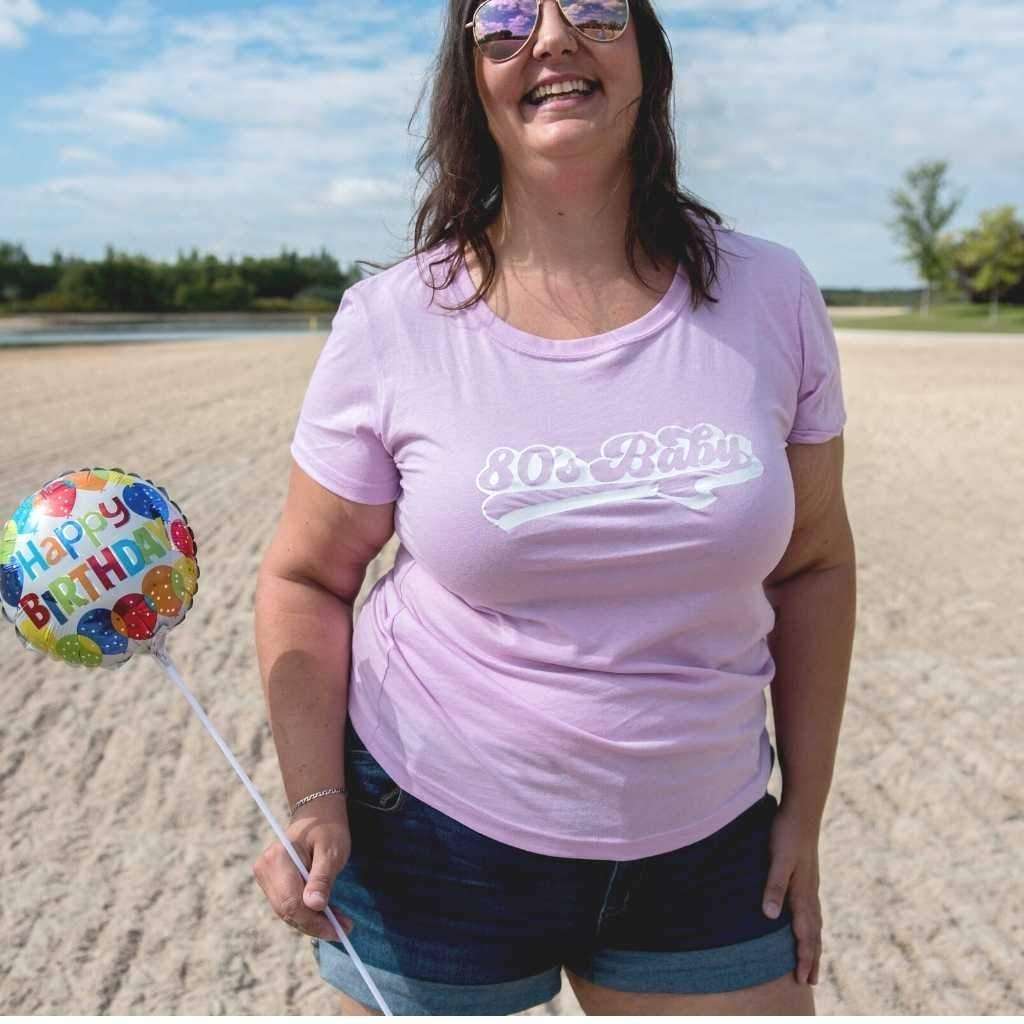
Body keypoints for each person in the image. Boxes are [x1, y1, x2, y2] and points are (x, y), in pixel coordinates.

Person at [252, 0, 856, 1015]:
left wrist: (804, 812)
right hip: (430, 835)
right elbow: (307, 574)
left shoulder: (772, 294)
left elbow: (813, 564)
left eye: (593, 10)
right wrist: (315, 796)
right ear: (470, 83)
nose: (550, 39)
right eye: (503, 21)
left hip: (708, 844)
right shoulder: (392, 320)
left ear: (647, 61)